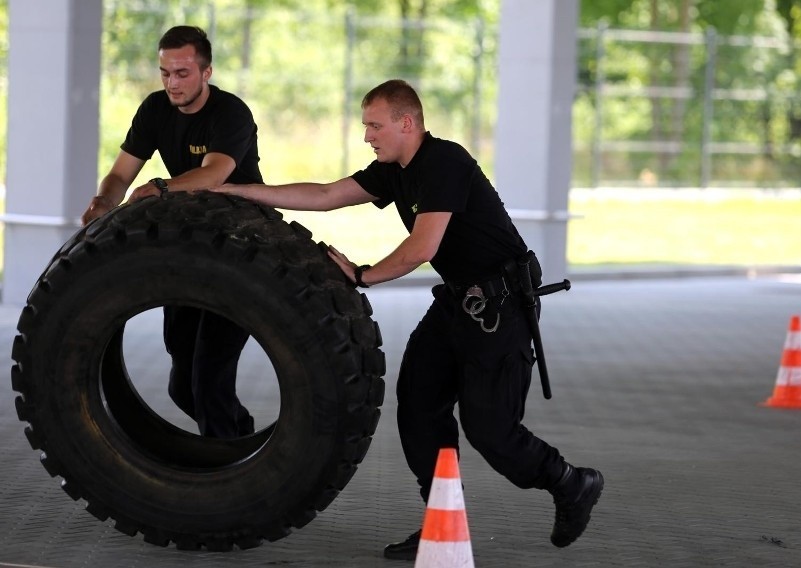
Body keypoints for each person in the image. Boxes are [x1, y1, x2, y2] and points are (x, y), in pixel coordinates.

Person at [212, 79, 604, 559]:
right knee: (419, 406)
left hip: (499, 308)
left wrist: (362, 274)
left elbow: (422, 247)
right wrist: (243, 193)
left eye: (375, 126)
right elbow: (327, 193)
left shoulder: (444, 162)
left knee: (490, 431)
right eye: (365, 127)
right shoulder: (393, 169)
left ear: (407, 122)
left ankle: (569, 481)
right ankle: (439, 518)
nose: (367, 136)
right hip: (457, 303)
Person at [81, 25, 263, 439]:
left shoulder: (231, 113)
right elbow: (120, 174)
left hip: (243, 253)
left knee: (208, 381)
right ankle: (244, 441)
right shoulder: (155, 110)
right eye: (165, 73)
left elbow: (214, 174)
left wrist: (159, 187)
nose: (172, 83)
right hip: (189, 249)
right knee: (183, 387)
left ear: (206, 72)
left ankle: (228, 486)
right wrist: (104, 202)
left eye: (182, 73)